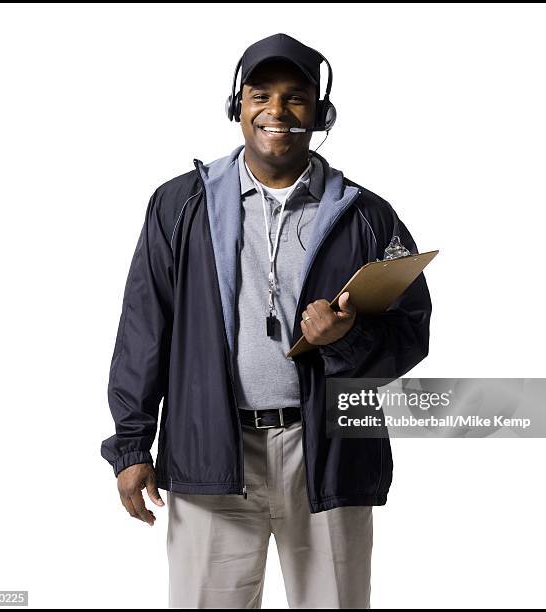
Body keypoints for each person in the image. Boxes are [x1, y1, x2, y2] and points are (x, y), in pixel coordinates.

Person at [101, 33, 432, 609]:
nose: (276, 111)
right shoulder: (179, 206)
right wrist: (131, 446)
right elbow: (143, 330)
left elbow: (412, 334)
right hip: (211, 451)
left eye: (295, 97)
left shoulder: (370, 217)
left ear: (319, 112)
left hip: (327, 453)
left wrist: (346, 339)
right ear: (238, 106)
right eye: (261, 94)